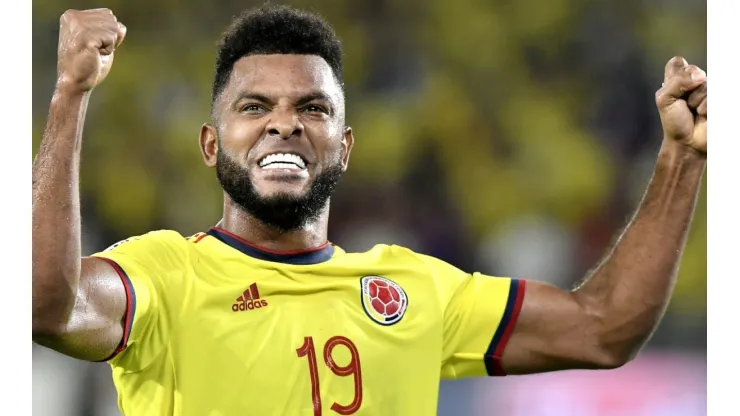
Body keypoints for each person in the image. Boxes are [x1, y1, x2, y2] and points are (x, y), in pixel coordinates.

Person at [31, 4, 707, 416]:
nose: (284, 124)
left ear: (345, 147)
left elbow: (604, 329)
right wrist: (69, 96)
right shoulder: (163, 275)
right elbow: (46, 307)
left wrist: (681, 157)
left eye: (313, 108)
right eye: (254, 107)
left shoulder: (414, 290)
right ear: (212, 144)